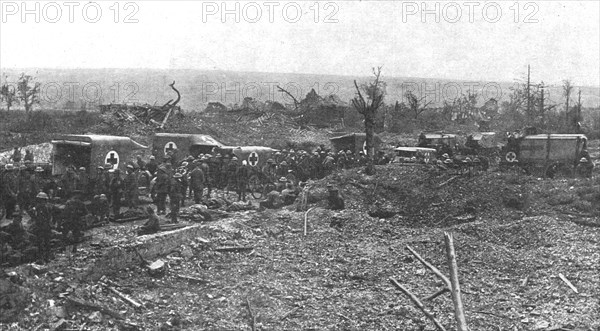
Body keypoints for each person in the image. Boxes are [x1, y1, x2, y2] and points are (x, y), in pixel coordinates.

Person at [28, 192, 59, 262]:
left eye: (42, 200)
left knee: (46, 243)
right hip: (42, 227)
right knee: (42, 243)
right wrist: (35, 218)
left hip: (45, 227)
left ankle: (46, 258)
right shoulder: (39, 207)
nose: (40, 201)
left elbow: (56, 212)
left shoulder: (47, 207)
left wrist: (53, 221)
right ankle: (43, 258)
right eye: (40, 200)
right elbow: (30, 212)